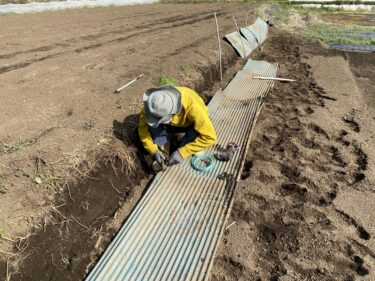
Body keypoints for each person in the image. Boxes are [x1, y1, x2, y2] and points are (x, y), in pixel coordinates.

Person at [138, 85, 217, 167]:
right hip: (170, 124)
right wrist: (153, 150)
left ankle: (181, 144)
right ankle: (164, 150)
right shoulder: (151, 107)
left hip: (190, 124)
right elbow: (142, 131)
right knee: (154, 129)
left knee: (194, 136)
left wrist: (182, 153)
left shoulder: (192, 105)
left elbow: (211, 138)